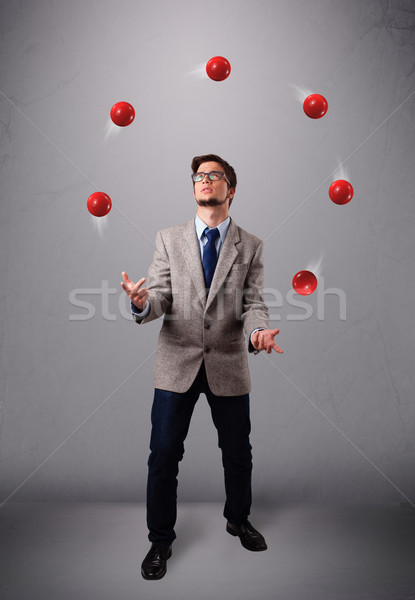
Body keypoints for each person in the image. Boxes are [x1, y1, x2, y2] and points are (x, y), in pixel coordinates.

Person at [121, 154, 283, 580]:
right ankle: (160, 540)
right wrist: (141, 304)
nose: (205, 180)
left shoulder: (251, 246)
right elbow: (159, 297)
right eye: (199, 176)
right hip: (177, 361)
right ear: (194, 187)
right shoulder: (168, 239)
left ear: (231, 189)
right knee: (163, 455)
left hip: (229, 361)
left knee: (237, 454)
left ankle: (238, 519)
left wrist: (256, 334)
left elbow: (254, 305)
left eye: (215, 175)